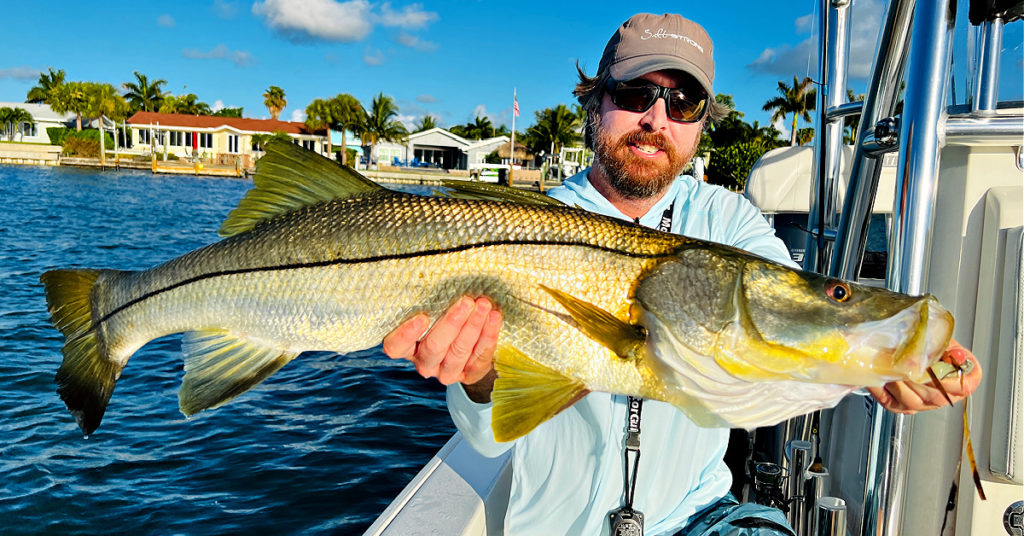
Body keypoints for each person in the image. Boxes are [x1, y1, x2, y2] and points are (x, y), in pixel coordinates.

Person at [382, 12, 983, 536]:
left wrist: (876, 369)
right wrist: (480, 378)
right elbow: (490, 440)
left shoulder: (729, 222)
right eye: (636, 93)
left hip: (701, 520)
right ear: (595, 102)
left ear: (700, 122)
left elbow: (782, 324)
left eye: (683, 102)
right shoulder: (518, 223)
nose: (656, 118)